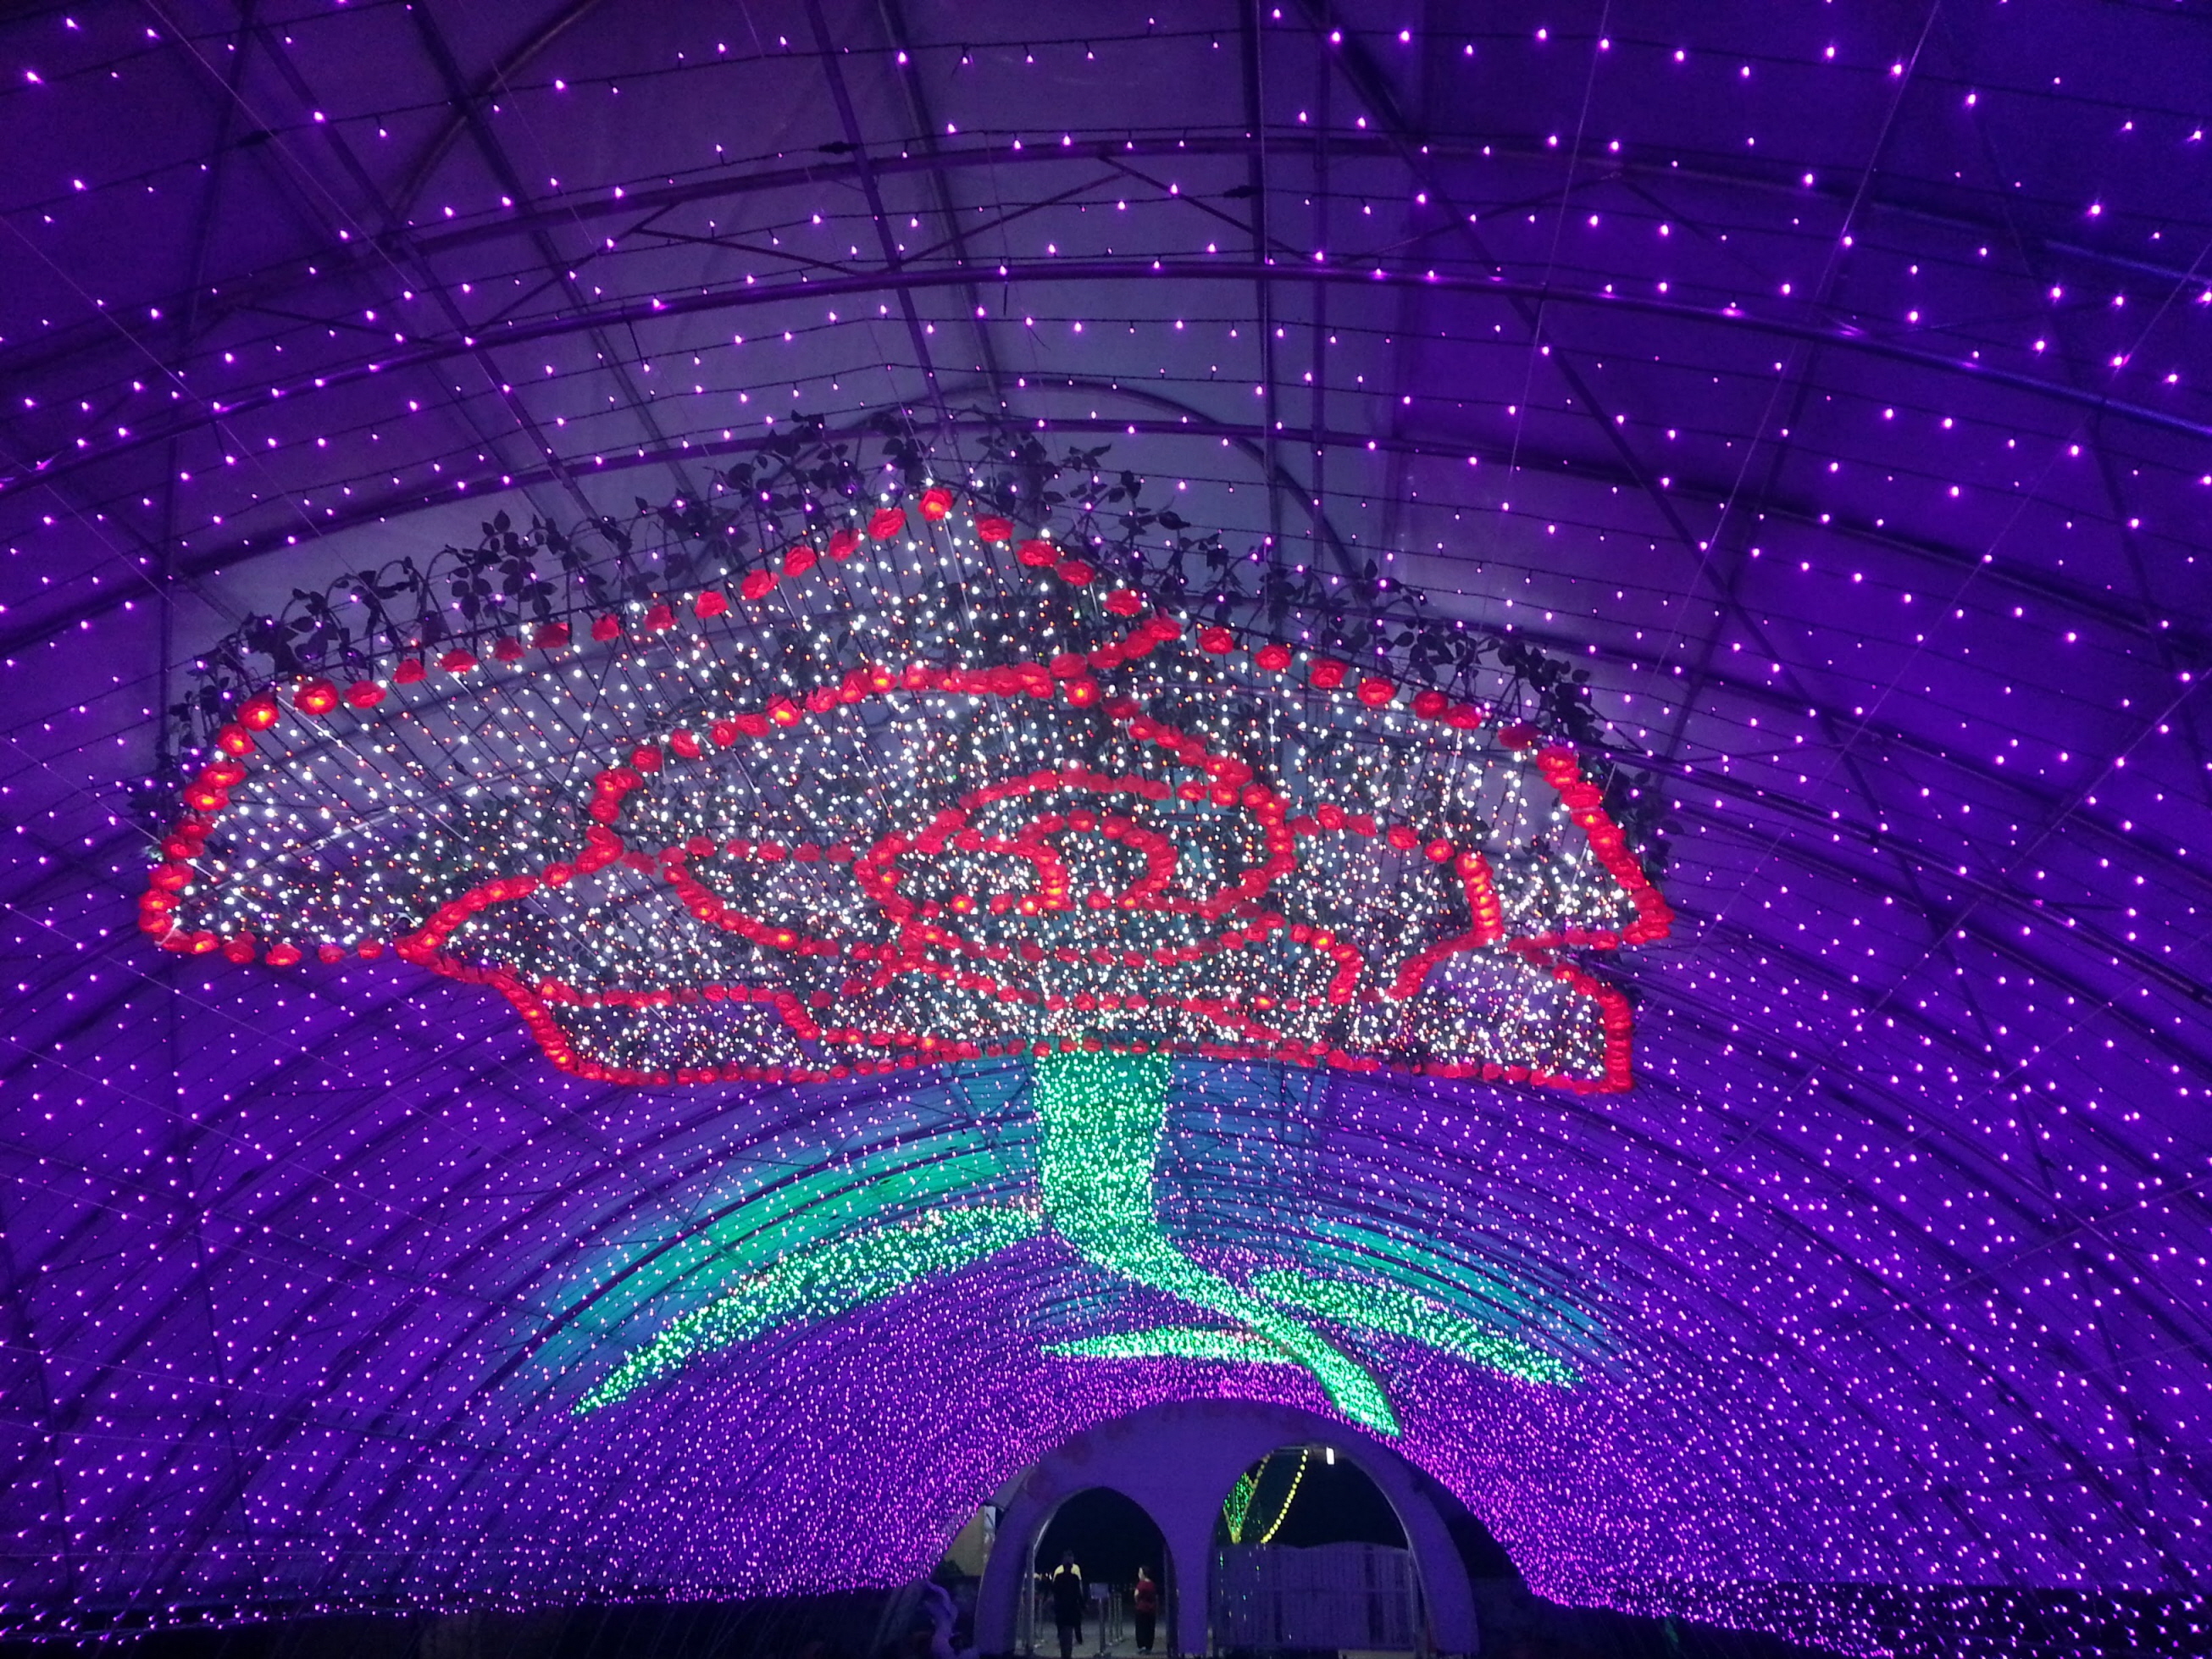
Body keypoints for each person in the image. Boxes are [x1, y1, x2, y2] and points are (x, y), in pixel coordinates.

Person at [1048, 1551, 1085, 1659]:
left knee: (1061, 1632)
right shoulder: (1075, 1578)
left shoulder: (1059, 1577)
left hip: (1060, 1610)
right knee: (1070, 1632)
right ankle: (1068, 1653)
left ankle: (1063, 1653)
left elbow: (1054, 1591)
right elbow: (1078, 1593)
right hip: (1072, 1609)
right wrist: (1083, 1606)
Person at [1132, 1567, 1159, 1655]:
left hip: (1141, 1608)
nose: (1139, 1575)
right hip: (1151, 1609)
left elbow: (1136, 1595)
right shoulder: (1152, 1584)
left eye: (1140, 1573)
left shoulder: (1141, 1584)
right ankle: (1148, 1647)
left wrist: (1137, 1601)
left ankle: (1141, 1646)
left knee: (1140, 1628)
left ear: (1143, 1574)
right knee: (1150, 1628)